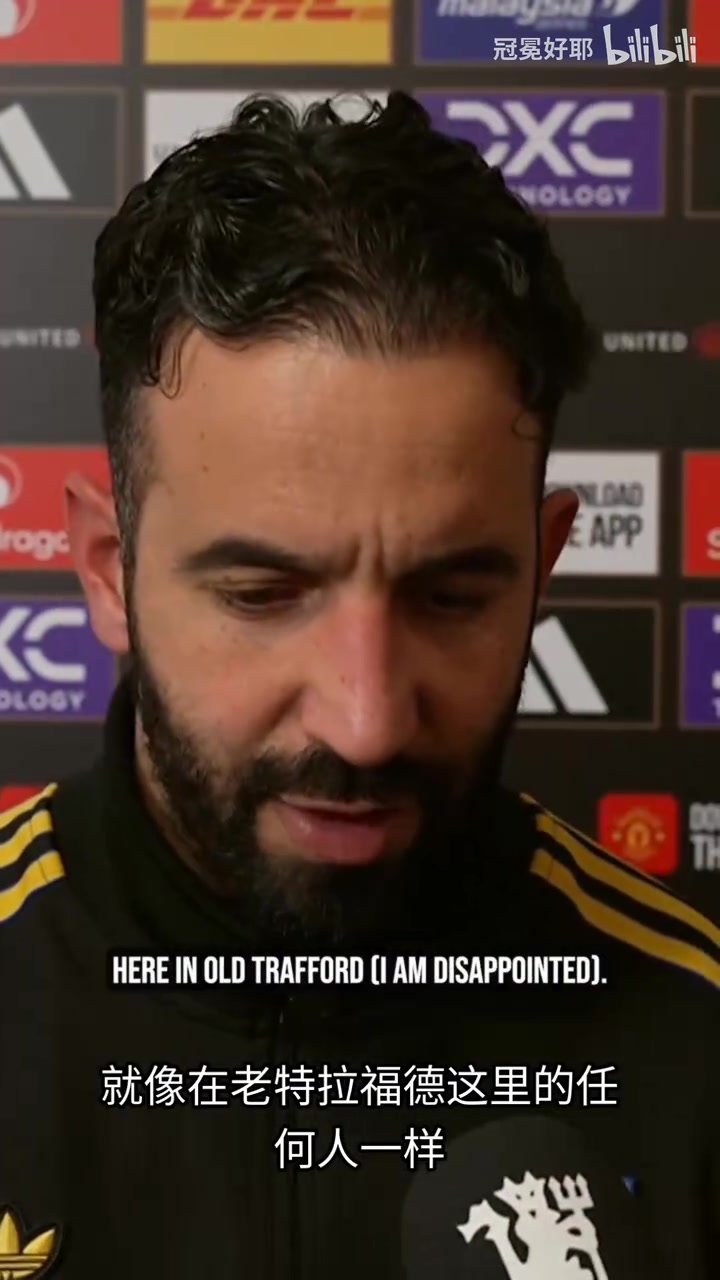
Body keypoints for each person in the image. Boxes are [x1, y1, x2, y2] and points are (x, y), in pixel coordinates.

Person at [0, 91, 717, 1280]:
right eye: (263, 593)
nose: (368, 718)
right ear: (108, 572)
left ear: (543, 565)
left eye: (452, 596)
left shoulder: (694, 1041)